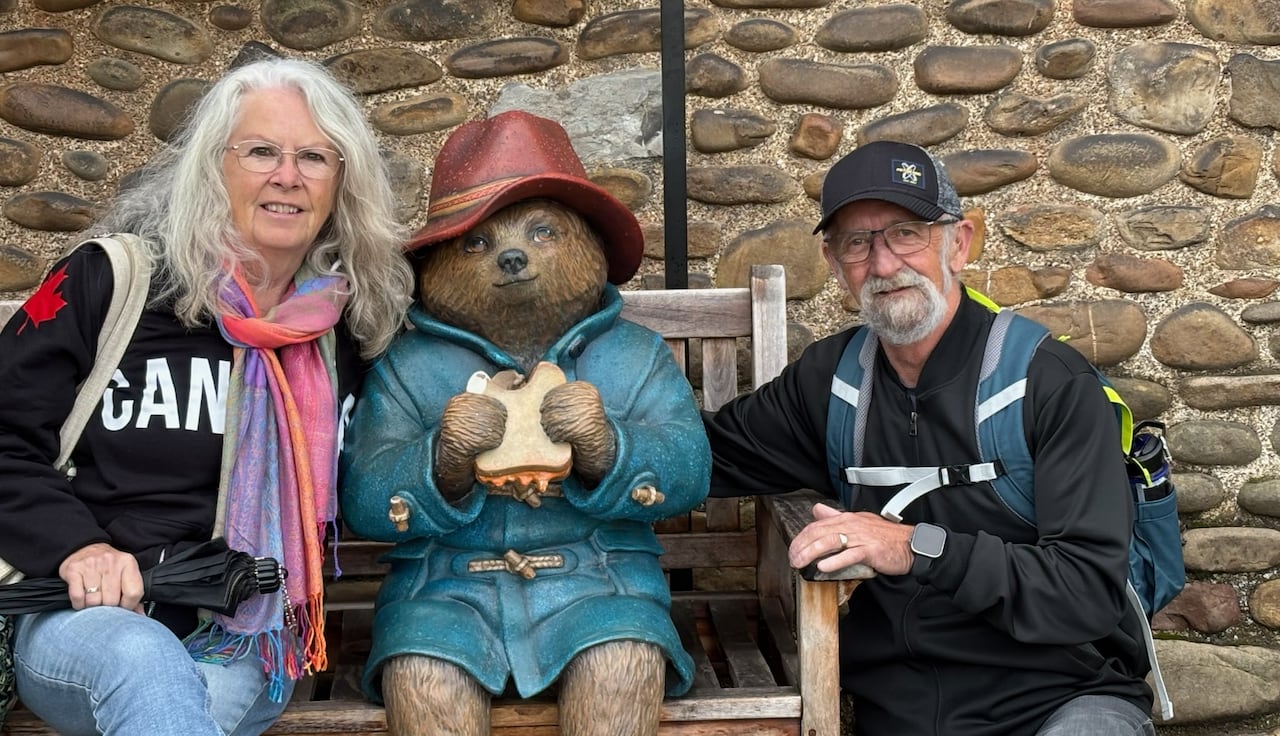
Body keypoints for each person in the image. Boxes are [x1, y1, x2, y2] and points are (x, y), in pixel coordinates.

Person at [0, 57, 413, 736]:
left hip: (246, 634)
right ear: (212, 167)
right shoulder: (116, 282)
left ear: (343, 182)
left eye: (314, 156)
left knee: (189, 700)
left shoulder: (353, 327)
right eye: (260, 152)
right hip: (82, 620)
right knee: (146, 663)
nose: (287, 175)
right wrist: (78, 548)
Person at [702, 140, 1155, 736]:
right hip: (900, 713)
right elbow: (704, 456)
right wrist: (589, 443)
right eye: (856, 243)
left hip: (1057, 701)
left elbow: (1086, 592)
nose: (884, 264)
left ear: (959, 243)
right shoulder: (830, 381)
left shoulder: (1049, 384)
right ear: (834, 265)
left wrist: (916, 547)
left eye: (906, 233)